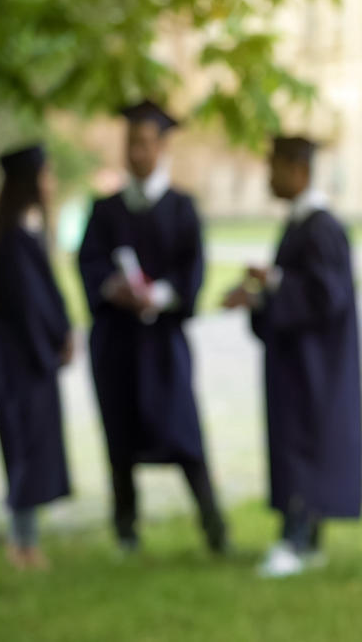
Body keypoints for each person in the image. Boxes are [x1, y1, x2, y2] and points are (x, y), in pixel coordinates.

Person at [77, 100, 228, 555]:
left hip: (162, 343)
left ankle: (214, 529)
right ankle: (125, 530)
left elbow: (193, 272)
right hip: (117, 343)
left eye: (145, 143)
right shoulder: (105, 209)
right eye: (131, 143)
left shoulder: (182, 208)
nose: (137, 153)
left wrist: (158, 295)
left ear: (163, 147)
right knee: (119, 435)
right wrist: (111, 288)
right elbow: (88, 263)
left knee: (184, 433)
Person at [223, 135, 362, 578]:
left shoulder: (321, 227)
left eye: (275, 167)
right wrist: (261, 292)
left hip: (313, 366)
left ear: (298, 170)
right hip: (300, 361)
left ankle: (295, 539)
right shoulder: (302, 223)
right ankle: (306, 540)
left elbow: (327, 296)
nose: (269, 176)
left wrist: (276, 280)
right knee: (300, 443)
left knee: (301, 445)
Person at [0, 143, 73, 570]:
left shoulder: (20, 233)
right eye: (46, 175)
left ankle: (25, 541)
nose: (51, 184)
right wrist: (53, 349)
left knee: (28, 446)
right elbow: (30, 308)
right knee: (27, 448)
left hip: (24, 359)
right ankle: (23, 544)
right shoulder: (16, 240)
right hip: (23, 363)